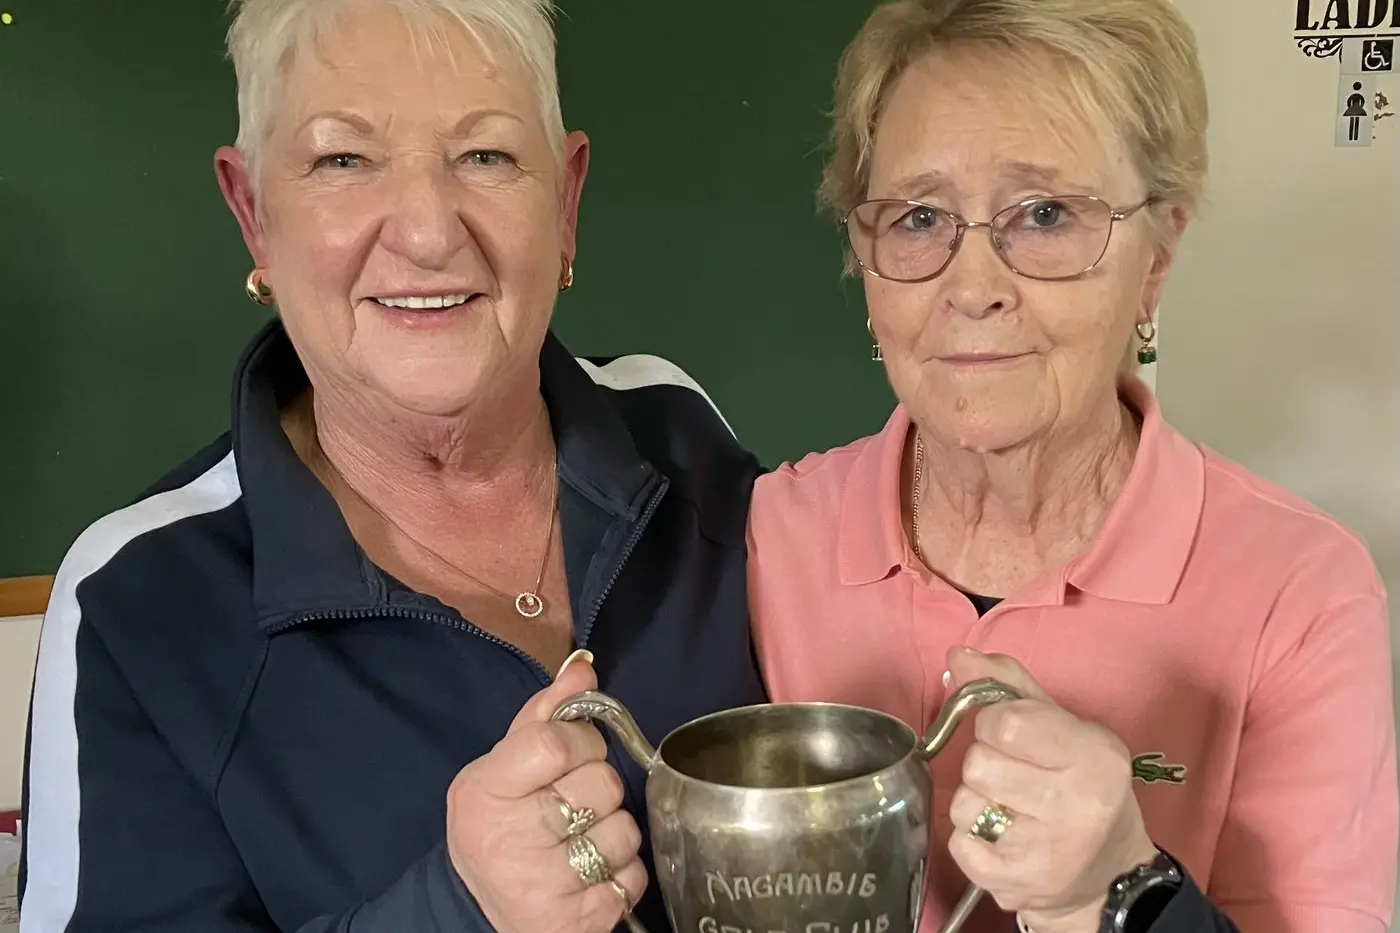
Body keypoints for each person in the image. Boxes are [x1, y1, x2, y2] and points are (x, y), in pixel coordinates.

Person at [18, 1, 767, 931]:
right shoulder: (138, 597)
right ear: (253, 213)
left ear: (565, 201)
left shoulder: (679, 429)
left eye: (484, 156)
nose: (425, 231)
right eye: (343, 159)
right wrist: (459, 909)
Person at [746, 1, 1398, 932]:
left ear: (1158, 256)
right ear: (864, 253)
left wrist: (1122, 889)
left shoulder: (1302, 594)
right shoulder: (771, 537)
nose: (972, 289)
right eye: (919, 218)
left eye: (1045, 214)